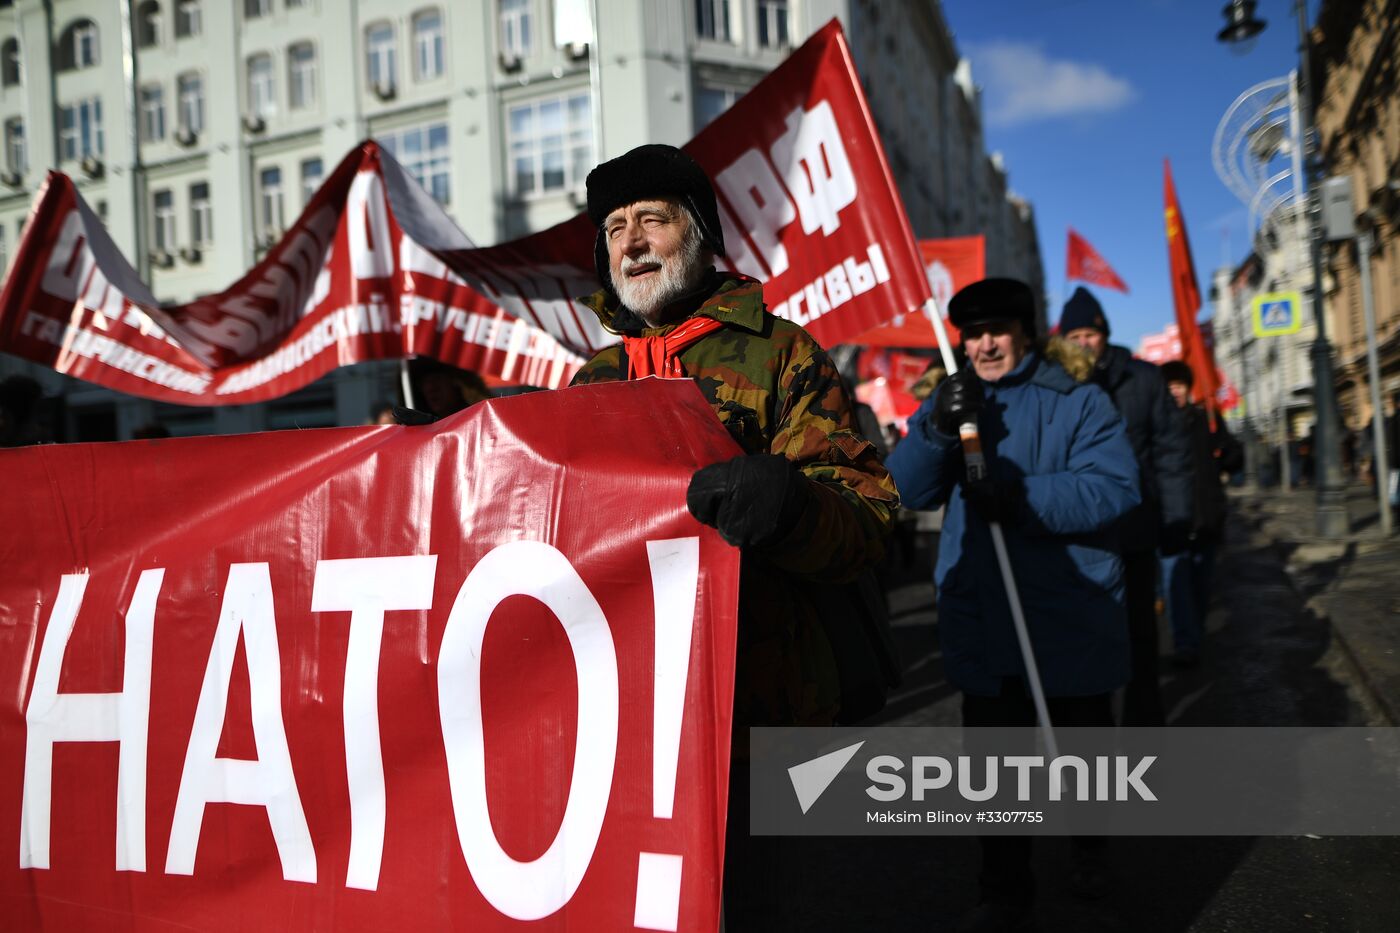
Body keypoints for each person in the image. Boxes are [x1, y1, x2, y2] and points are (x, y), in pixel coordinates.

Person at [566, 143, 899, 928]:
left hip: (755, 717)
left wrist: (788, 506)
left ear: (701, 233)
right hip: (626, 728)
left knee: (754, 908)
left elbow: (867, 520)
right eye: (614, 228)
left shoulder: (782, 352)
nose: (632, 242)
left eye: (652, 219)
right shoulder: (589, 383)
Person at [886, 278, 1140, 932]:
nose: (984, 344)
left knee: (1082, 755)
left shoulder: (1078, 401)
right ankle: (1002, 886)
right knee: (996, 768)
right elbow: (906, 491)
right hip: (983, 616)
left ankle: (1090, 851)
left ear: (1026, 333)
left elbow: (1114, 488)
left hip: (1069, 616)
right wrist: (939, 429)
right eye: (972, 334)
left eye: (998, 330)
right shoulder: (951, 399)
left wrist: (1024, 496)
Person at [1060, 286, 1192, 727]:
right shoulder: (1057, 382)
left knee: (1139, 634)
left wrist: (1176, 516)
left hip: (1135, 527)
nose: (1082, 343)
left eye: (1089, 334)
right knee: (1084, 637)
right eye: (1073, 335)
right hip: (1079, 535)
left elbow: (1171, 453)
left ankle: (1144, 727)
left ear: (1104, 334)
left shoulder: (1143, 378)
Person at [1158, 361, 1244, 667]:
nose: (1175, 392)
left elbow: (1233, 457)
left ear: (1188, 388)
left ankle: (1194, 631)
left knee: (1200, 586)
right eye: (1170, 387)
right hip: (1171, 521)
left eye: (1180, 386)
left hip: (1206, 517)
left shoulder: (1207, 419)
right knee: (1176, 584)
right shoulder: (1157, 422)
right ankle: (1186, 643)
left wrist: (1228, 452)